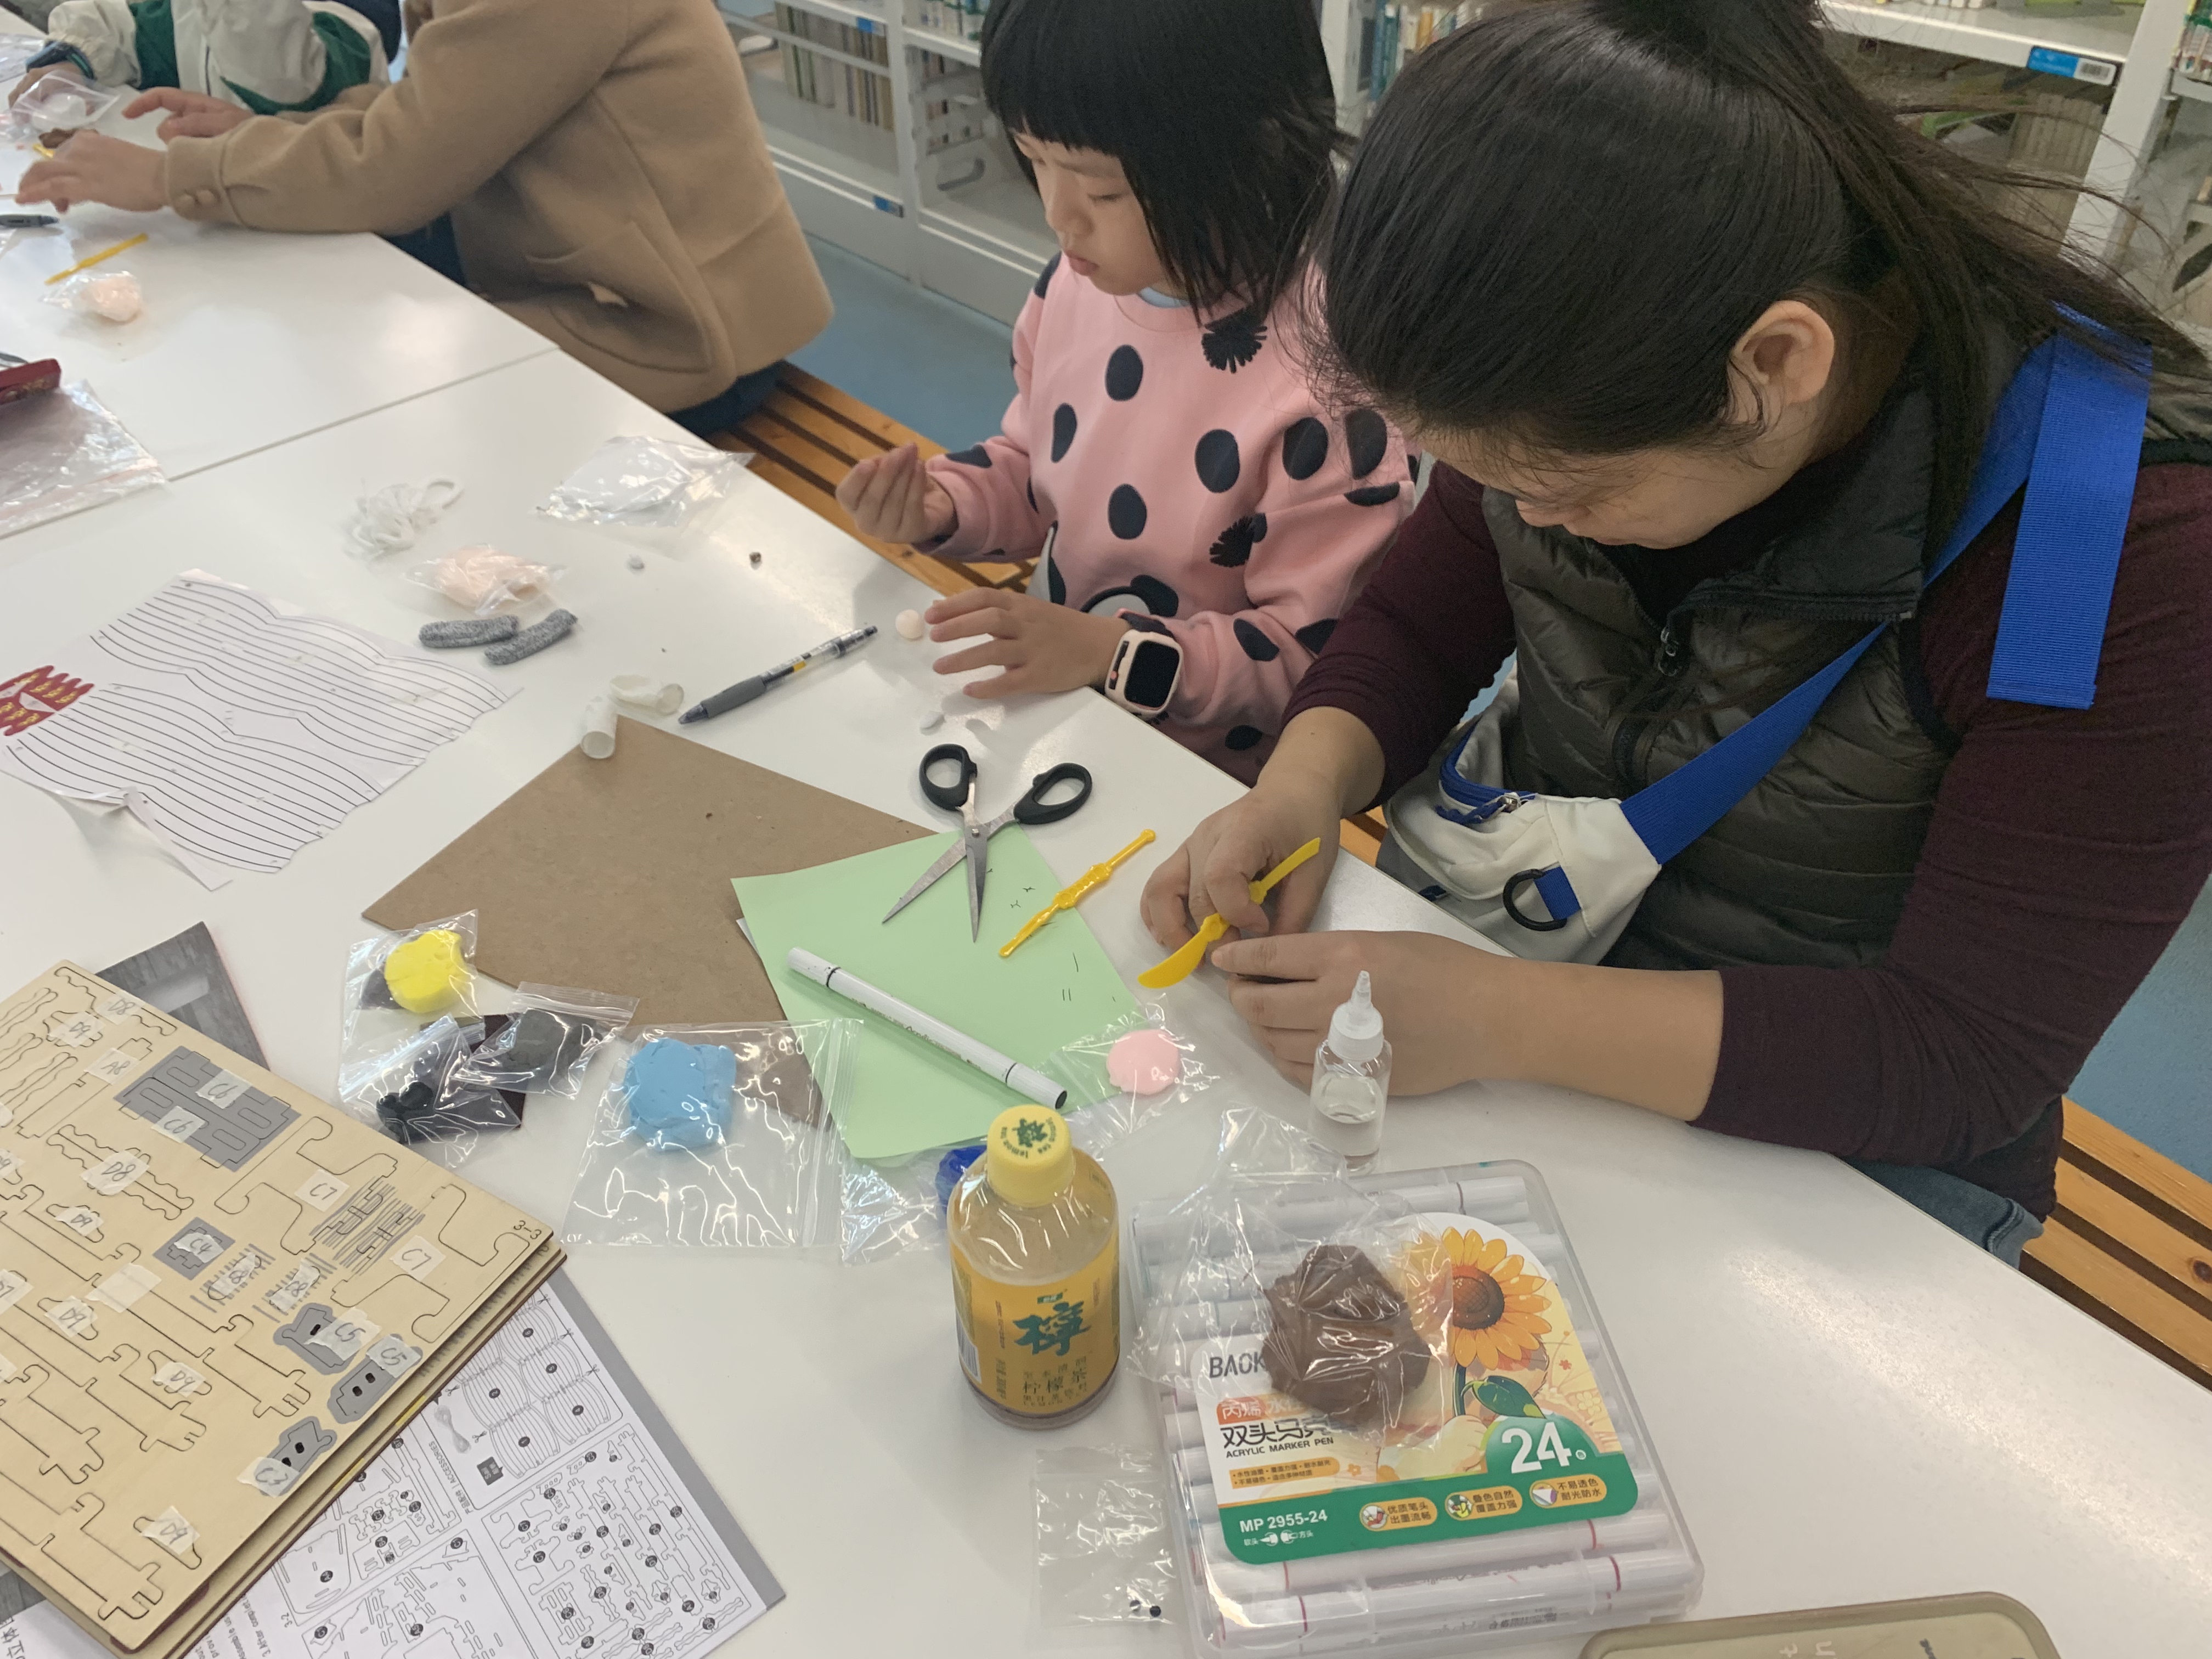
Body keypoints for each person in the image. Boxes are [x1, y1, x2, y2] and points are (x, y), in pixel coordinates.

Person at [1141, 0, 2212, 1260]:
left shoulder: (2124, 555)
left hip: (1854, 1125)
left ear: (1777, 365)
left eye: (1566, 491)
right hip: (1530, 963)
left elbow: (1961, 1055)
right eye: (1489, 479)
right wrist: (1303, 785)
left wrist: (1505, 1019)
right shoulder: (1571, 366)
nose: (1527, 514)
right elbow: (1423, 623)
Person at [834, 0, 1409, 783]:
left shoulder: (1328, 389)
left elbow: (1307, 665)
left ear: (1248, 158)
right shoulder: (1076, 288)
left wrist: (1116, 653)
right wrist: (945, 506)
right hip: (1059, 724)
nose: (1057, 216)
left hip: (1204, 782)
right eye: (1034, 160)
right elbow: (1036, 470)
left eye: (1102, 192)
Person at [15, 0, 831, 433]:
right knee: (293, 335)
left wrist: (176, 175)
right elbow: (434, 107)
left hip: (677, 329)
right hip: (597, 278)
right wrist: (268, 134)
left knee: (329, 397)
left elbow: (396, 172)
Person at [15, 0, 389, 116]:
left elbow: (279, 78)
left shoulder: (344, 32)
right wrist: (74, 59)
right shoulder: (187, 13)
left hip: (327, 246)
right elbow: (125, 25)